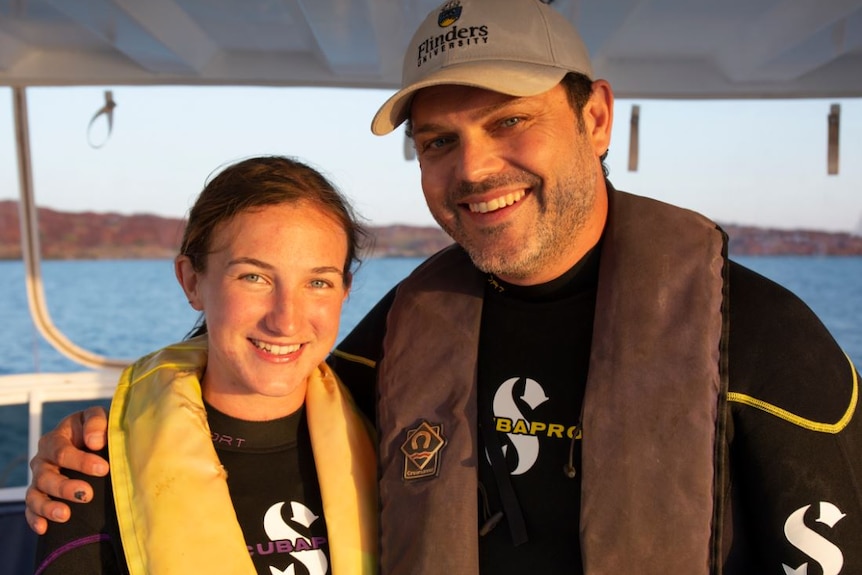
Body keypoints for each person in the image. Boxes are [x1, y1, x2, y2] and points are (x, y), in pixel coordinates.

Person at [26, 0, 862, 573]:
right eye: (437, 141)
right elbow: (269, 372)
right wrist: (98, 438)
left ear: (597, 117)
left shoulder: (761, 341)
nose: (473, 168)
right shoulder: (412, 326)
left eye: (510, 120)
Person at [31, 156, 377, 575]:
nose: (286, 320)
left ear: (344, 291)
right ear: (192, 281)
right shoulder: (96, 469)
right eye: (254, 277)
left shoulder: (388, 435)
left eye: (317, 282)